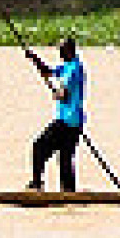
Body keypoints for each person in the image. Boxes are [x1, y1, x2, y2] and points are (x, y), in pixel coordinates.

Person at [26, 37, 86, 192]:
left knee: (39, 147)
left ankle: (37, 183)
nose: (59, 53)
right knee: (65, 158)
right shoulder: (67, 66)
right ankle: (68, 191)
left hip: (68, 121)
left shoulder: (74, 69)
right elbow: (48, 71)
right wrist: (34, 59)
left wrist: (57, 94)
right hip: (73, 122)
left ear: (69, 51)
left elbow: (64, 94)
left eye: (62, 50)